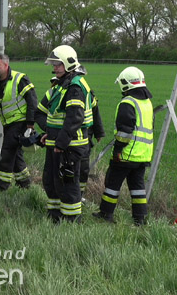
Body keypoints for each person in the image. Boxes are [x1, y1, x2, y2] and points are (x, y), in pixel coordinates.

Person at [34, 45, 93, 223]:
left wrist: (60, 142)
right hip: (58, 144)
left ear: (68, 64)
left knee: (68, 182)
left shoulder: (74, 87)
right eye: (54, 64)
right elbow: (43, 113)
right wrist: (49, 133)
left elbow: (74, 119)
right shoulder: (61, 85)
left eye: (58, 64)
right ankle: (55, 216)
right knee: (52, 181)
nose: (54, 68)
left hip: (70, 145)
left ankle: (72, 219)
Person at [93, 67, 153, 226]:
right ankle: (140, 219)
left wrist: (118, 150)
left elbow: (124, 132)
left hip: (126, 154)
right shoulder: (147, 102)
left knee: (112, 185)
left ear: (125, 84)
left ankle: (105, 214)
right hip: (143, 155)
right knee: (138, 188)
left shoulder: (127, 103)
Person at [0, 54, 37, 190]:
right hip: (7, 124)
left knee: (7, 152)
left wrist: (30, 124)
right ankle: (25, 183)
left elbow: (32, 100)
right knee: (16, 155)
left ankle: (1, 185)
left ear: (6, 65)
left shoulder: (20, 79)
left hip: (20, 122)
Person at [74, 65, 105, 195]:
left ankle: (79, 195)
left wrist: (99, 132)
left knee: (83, 168)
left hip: (85, 136)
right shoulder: (62, 91)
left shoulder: (88, 94)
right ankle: (71, 194)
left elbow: (95, 112)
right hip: (68, 137)